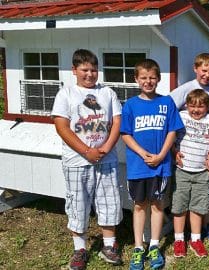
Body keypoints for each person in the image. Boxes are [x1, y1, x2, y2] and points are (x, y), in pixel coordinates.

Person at [51, 49, 123, 270]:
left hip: (106, 159)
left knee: (109, 201)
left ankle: (109, 246)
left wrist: (107, 147)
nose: (90, 74)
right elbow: (61, 126)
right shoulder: (66, 94)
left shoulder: (107, 93)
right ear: (74, 70)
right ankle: (80, 248)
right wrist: (86, 151)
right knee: (78, 202)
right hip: (76, 161)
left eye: (93, 70)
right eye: (84, 70)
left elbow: (117, 122)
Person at [120, 59, 184, 270]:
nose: (148, 82)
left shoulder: (166, 103)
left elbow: (172, 131)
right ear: (136, 79)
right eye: (144, 78)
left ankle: (154, 245)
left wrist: (161, 155)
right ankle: (139, 247)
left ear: (158, 79)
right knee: (139, 206)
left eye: (152, 78)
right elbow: (126, 134)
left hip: (161, 165)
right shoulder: (130, 105)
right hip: (138, 166)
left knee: (157, 205)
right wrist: (142, 152)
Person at [170, 52, 209, 243]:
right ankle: (185, 231)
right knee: (184, 192)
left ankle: (204, 225)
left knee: (204, 189)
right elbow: (169, 107)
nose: (207, 75)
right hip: (188, 151)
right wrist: (173, 148)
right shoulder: (187, 88)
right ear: (196, 68)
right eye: (204, 70)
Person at [172, 89, 209, 258]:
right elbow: (170, 136)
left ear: (207, 107)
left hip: (202, 172)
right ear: (186, 105)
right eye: (192, 106)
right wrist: (174, 152)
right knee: (180, 205)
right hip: (182, 170)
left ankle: (195, 239)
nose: (196, 110)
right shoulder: (181, 116)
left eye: (200, 107)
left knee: (198, 206)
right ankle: (179, 239)